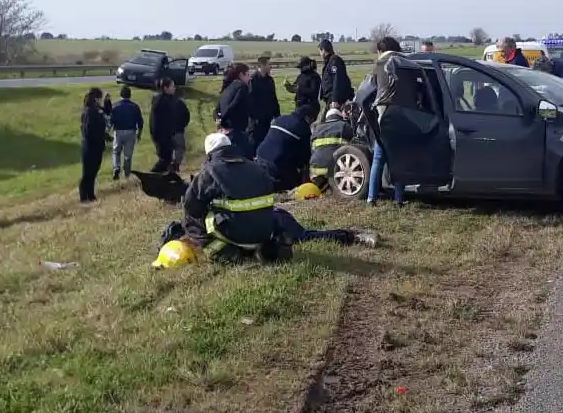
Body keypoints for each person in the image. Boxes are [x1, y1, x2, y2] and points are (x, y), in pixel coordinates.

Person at [153, 133, 375, 267]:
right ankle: (350, 235)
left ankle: (221, 251)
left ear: (210, 154)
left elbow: (191, 206)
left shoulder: (210, 171)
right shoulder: (256, 166)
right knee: (303, 233)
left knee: (193, 219)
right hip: (267, 229)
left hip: (235, 233)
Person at [367, 36, 406, 206]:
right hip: (403, 117)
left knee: (378, 158)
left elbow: (370, 89)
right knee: (399, 158)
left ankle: (371, 197)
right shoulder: (404, 62)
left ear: (380, 50)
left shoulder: (379, 65)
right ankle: (398, 198)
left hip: (383, 116)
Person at [255, 104, 318, 192]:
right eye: (312, 120)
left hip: (260, 155)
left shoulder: (279, 119)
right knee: (292, 182)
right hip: (277, 162)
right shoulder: (303, 128)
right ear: (307, 118)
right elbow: (305, 156)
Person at [216, 63, 255, 158]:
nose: (249, 78)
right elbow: (234, 105)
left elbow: (217, 109)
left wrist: (220, 121)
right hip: (236, 131)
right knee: (245, 158)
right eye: (248, 74)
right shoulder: (242, 86)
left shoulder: (227, 88)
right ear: (241, 75)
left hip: (224, 131)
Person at [309, 107, 354, 189]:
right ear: (340, 117)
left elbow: (312, 149)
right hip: (336, 168)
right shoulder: (344, 125)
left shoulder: (317, 128)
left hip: (316, 169)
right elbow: (354, 145)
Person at [79, 87, 108, 203]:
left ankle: (90, 195)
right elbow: (88, 131)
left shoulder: (96, 110)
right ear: (96, 99)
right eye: (100, 98)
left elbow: (105, 113)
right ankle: (84, 196)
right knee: (88, 173)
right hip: (90, 147)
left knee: (93, 172)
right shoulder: (90, 112)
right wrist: (99, 137)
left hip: (96, 147)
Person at [109, 85, 143, 179]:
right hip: (131, 131)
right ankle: (127, 174)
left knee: (116, 152)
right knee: (128, 155)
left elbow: (111, 120)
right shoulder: (135, 106)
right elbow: (140, 122)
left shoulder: (115, 106)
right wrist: (139, 134)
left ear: (120, 94)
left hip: (118, 131)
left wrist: (108, 132)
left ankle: (116, 167)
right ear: (130, 95)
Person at [247, 55, 280, 147]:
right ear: (262, 65)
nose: (270, 67)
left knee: (266, 141)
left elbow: (273, 98)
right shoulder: (253, 80)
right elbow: (250, 100)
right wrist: (254, 116)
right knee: (254, 142)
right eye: (269, 64)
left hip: (268, 117)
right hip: (256, 120)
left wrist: (277, 114)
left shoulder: (270, 80)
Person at [318, 39, 353, 121]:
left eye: (320, 51)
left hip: (335, 99)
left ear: (324, 50)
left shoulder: (335, 61)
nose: (320, 54)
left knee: (326, 121)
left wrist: (335, 99)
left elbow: (337, 80)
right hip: (330, 99)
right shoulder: (329, 62)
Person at [150, 77, 178, 173]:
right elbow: (161, 121)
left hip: (166, 135)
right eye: (172, 86)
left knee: (168, 158)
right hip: (161, 135)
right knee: (165, 159)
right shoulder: (162, 101)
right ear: (165, 88)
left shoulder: (167, 99)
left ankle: (164, 176)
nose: (174, 88)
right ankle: (152, 174)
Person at [173, 86, 191, 172]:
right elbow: (187, 116)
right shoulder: (180, 104)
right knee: (180, 147)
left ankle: (170, 164)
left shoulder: (165, 102)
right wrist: (183, 125)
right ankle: (176, 164)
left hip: (166, 131)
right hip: (178, 130)